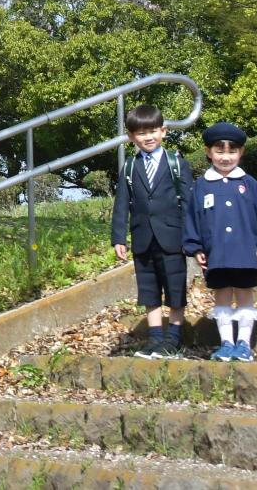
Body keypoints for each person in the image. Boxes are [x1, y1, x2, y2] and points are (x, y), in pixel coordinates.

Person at [184, 121, 257, 362]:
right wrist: (195, 248)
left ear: (241, 153)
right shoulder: (201, 186)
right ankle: (226, 342)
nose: (226, 157)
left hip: (245, 253)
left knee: (245, 293)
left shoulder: (249, 184)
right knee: (222, 294)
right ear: (208, 152)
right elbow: (192, 218)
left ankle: (244, 343)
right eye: (219, 150)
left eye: (232, 151)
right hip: (216, 254)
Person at [110, 102, 190, 358]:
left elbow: (188, 201)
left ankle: (174, 337)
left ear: (164, 131)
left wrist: (194, 237)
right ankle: (156, 338)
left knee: (175, 287)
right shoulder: (130, 168)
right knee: (149, 289)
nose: (148, 137)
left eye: (153, 131)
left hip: (173, 237)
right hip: (143, 237)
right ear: (132, 137)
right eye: (141, 133)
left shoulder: (176, 163)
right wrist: (119, 237)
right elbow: (122, 203)